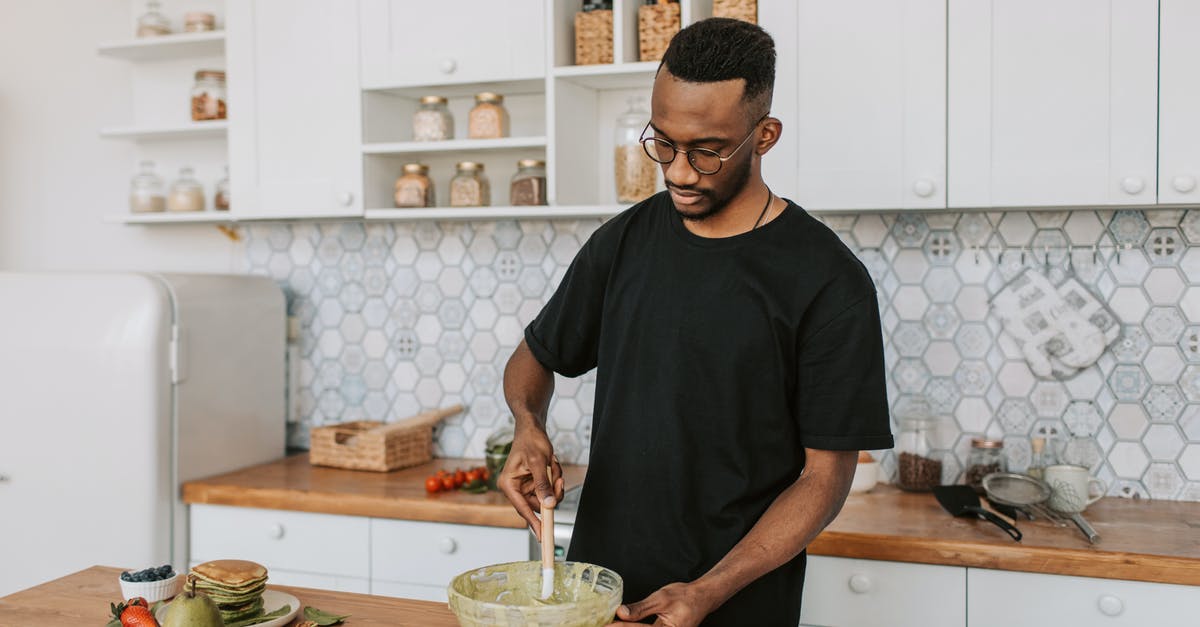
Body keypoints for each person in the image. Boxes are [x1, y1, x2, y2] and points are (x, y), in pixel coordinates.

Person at [499, 17, 894, 627]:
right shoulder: (625, 242)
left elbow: (825, 479)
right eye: (663, 143)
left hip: (736, 603)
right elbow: (536, 358)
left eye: (707, 150)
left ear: (764, 135)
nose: (679, 171)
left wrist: (708, 591)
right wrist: (527, 424)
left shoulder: (828, 281)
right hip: (600, 596)